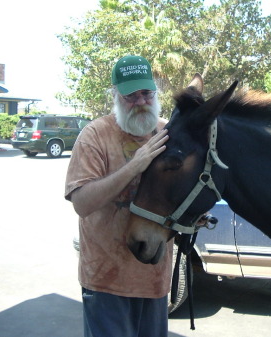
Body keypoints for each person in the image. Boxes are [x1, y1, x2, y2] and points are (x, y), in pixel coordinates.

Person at [65, 55, 172, 337]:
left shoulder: (167, 132)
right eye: (130, 96)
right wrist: (135, 165)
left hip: (155, 281)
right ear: (115, 95)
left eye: (146, 93)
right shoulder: (95, 136)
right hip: (106, 280)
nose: (140, 102)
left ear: (155, 92)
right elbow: (82, 203)